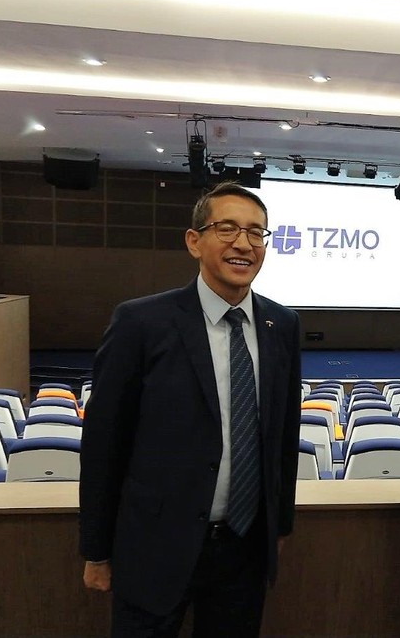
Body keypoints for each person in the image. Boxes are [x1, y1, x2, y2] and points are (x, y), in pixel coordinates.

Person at [79, 182, 302, 638]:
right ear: (194, 241)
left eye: (256, 232)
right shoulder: (141, 322)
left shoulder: (282, 324)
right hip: (154, 547)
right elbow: (104, 444)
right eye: (227, 228)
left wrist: (278, 526)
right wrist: (96, 550)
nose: (244, 243)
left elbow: (283, 434)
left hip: (244, 549)